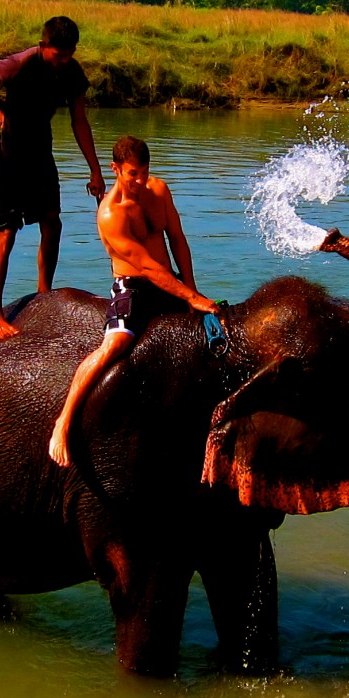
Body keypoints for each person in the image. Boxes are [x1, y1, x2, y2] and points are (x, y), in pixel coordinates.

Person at [48, 136, 219, 467]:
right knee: (115, 345)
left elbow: (177, 240)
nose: (140, 180)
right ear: (116, 170)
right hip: (133, 286)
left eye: (144, 171)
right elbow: (146, 266)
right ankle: (64, 422)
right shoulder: (111, 214)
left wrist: (192, 292)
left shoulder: (159, 191)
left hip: (171, 283)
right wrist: (191, 297)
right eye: (132, 174)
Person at [0, 16, 106, 338]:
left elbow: (79, 121)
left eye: (70, 54)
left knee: (52, 222)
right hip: (11, 159)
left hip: (42, 155)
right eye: (59, 54)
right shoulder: (19, 64)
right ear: (43, 47)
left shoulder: (71, 72)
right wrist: (1, 105)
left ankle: (44, 292)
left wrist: (94, 169)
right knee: (7, 234)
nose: (64, 60)